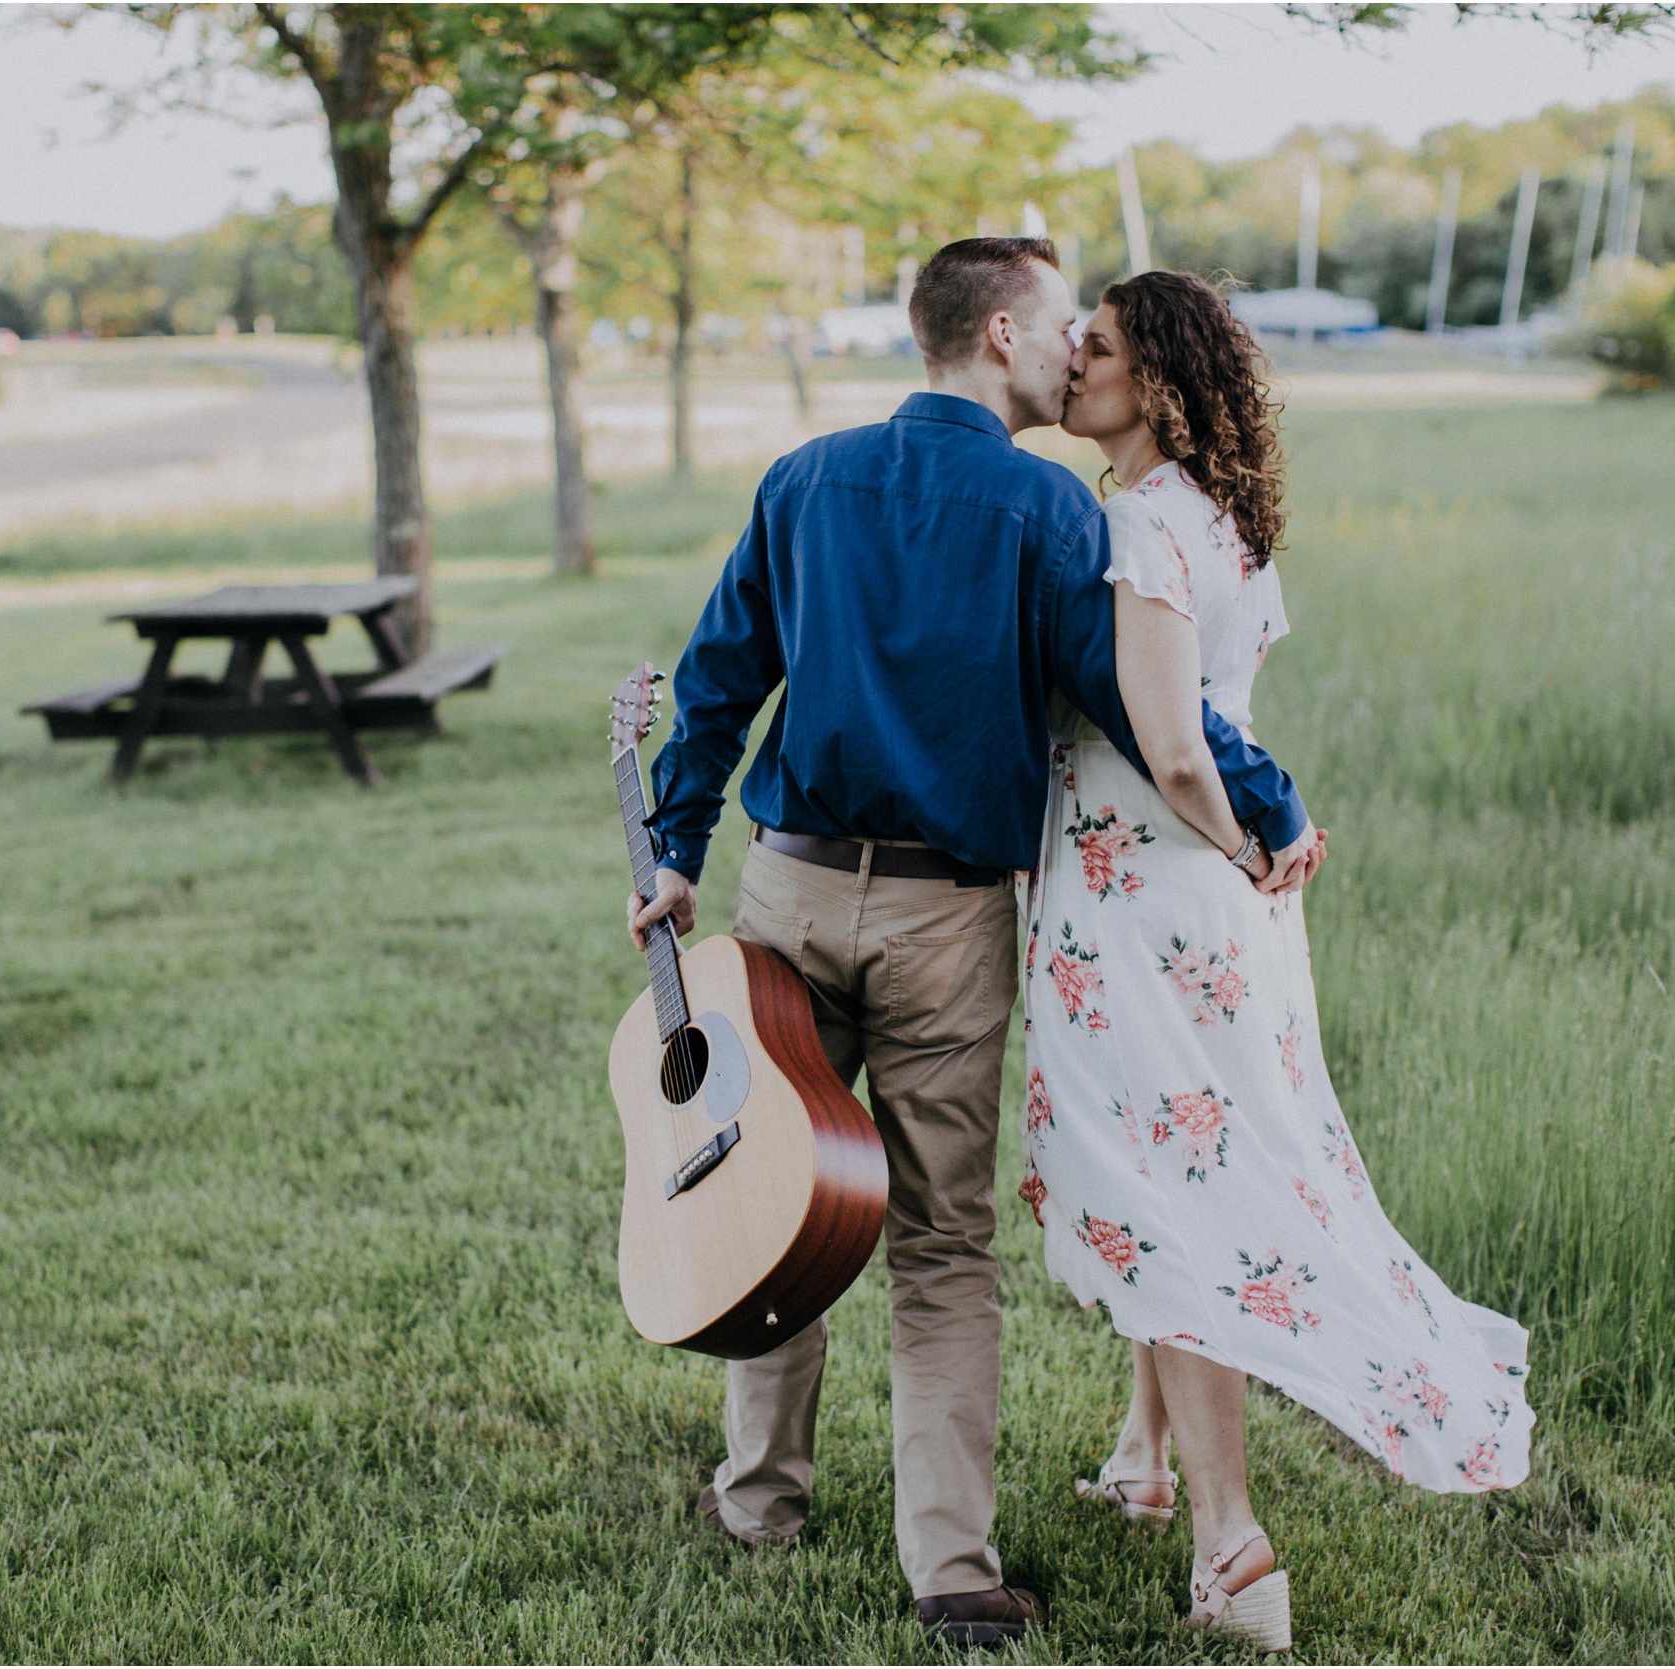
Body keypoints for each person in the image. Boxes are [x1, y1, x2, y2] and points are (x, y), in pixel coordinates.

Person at [627, 238, 1318, 1648]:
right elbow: (1139, 706)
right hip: (947, 919)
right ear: (1001, 332)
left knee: (773, 1205)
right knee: (941, 1246)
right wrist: (1271, 798)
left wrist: (672, 851)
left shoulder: (804, 480)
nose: (1077, 351)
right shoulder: (1043, 507)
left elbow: (712, 687)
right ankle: (951, 1566)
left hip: (790, 897)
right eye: (1066, 324)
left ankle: (759, 1499)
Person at [1019, 270, 1533, 1653]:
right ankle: (1143, 1452)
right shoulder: (1223, 519)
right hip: (1218, 912)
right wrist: (1254, 848)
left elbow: (1178, 739)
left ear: (1162, 384)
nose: (1074, 368)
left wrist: (1239, 839)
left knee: (1172, 1203)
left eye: (1102, 351)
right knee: (1169, 1176)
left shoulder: (1136, 525)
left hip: (1153, 906)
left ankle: (1232, 1544)